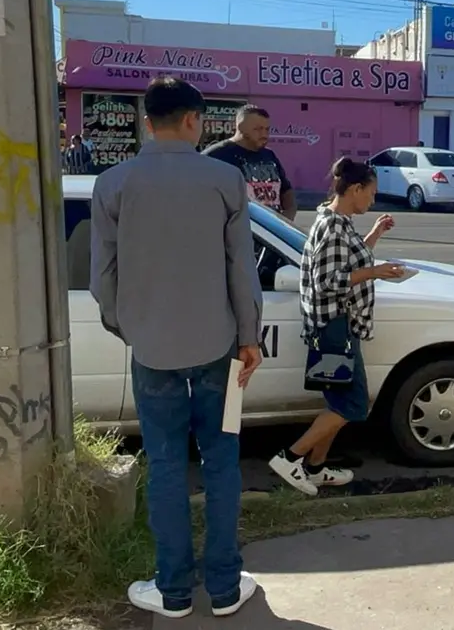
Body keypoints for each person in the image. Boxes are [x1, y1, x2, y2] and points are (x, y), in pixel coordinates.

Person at [90, 76, 264, 619]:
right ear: (194, 120)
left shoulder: (113, 183)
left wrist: (130, 327)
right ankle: (227, 588)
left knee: (164, 465)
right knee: (223, 462)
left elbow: (103, 277)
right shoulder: (226, 180)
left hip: (151, 353)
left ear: (147, 122)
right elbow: (242, 269)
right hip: (224, 351)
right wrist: (250, 338)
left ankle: (173, 592)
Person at [268, 157, 406, 495]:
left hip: (339, 325)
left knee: (338, 403)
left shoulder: (339, 222)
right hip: (333, 327)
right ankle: (290, 458)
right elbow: (328, 281)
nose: (372, 201)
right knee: (353, 404)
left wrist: (374, 234)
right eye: (370, 194)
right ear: (355, 189)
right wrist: (376, 272)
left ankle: (315, 467)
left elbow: (351, 260)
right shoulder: (332, 226)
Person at [203, 104, 297, 219]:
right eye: (257, 129)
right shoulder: (216, 155)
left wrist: (288, 214)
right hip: (239, 231)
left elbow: (286, 190)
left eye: (267, 129)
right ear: (241, 127)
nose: (264, 134)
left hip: (270, 232)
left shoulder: (269, 155)